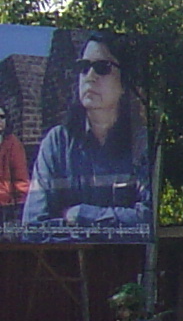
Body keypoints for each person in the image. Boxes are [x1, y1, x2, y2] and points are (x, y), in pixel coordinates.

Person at [22, 34, 152, 235]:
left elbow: (148, 217)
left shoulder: (143, 143)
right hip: (64, 262)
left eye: (102, 67)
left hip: (128, 260)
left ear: (125, 83)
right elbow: (33, 225)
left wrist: (81, 214)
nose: (90, 76)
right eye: (83, 67)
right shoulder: (57, 143)